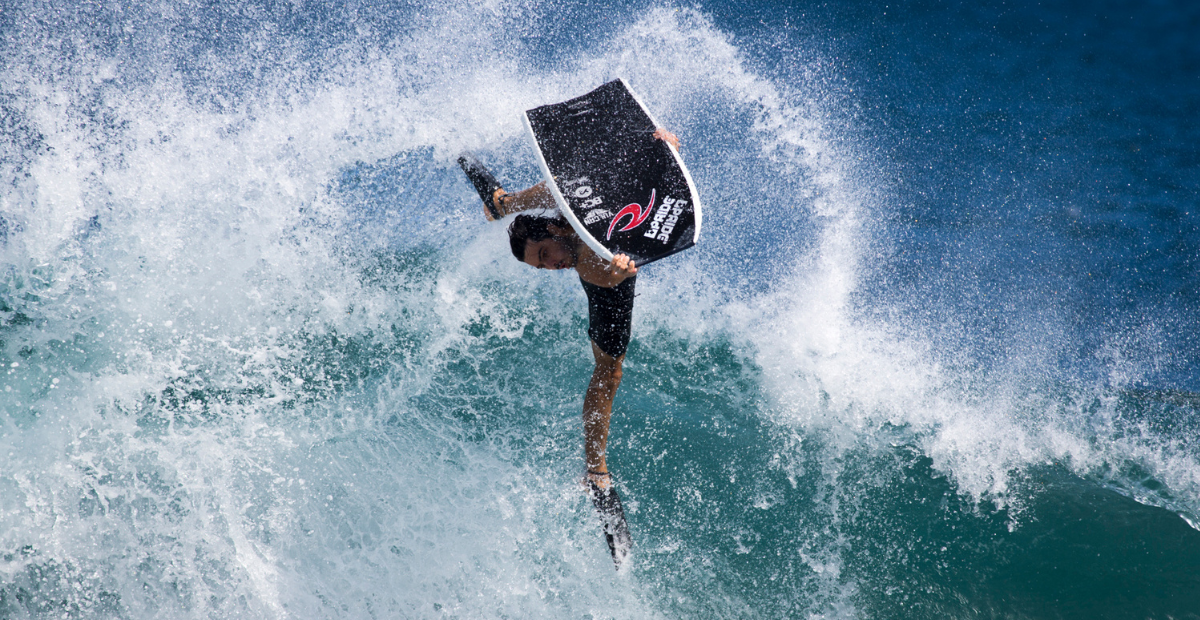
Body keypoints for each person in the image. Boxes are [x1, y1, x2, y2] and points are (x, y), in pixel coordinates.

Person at [459, 128, 680, 567]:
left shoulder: (562, 208)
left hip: (601, 250)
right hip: (608, 287)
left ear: (555, 230)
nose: (550, 267)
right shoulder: (587, 264)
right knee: (608, 370)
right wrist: (622, 262)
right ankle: (597, 472)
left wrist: (660, 148)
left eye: (543, 255)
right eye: (540, 266)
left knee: (544, 197)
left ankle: (502, 203)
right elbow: (618, 273)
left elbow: (622, 178)